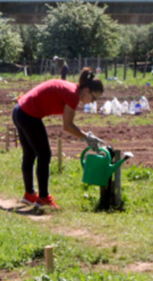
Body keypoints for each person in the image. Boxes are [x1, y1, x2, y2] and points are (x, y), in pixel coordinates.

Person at [13, 68, 105, 210]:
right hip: (28, 114)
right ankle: (43, 198)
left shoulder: (73, 90)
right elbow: (68, 126)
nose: (92, 102)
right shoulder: (73, 96)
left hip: (19, 110)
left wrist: (86, 137)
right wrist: (87, 138)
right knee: (44, 155)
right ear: (86, 90)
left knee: (30, 154)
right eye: (94, 98)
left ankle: (29, 195)